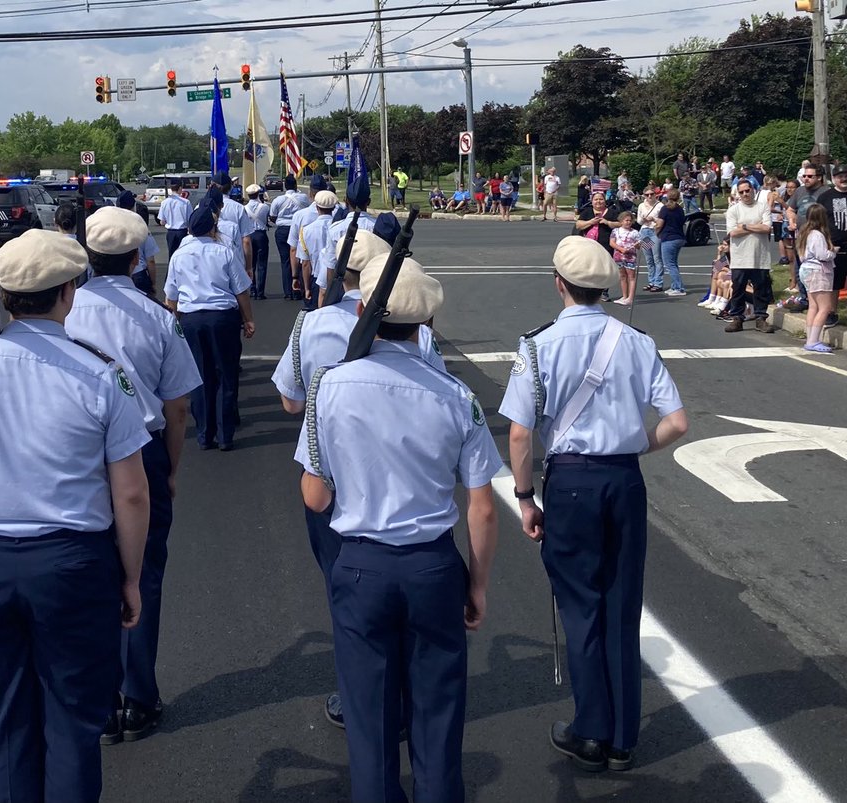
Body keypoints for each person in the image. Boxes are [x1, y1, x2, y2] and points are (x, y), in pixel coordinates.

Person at [0, 228, 151, 803]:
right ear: (68, 291)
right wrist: (130, 577)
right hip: (69, 561)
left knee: (2, 716)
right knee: (72, 719)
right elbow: (132, 495)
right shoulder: (100, 373)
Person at [298, 253, 501, 803]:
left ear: (363, 309)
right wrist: (476, 585)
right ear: (426, 325)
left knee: (370, 720)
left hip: (361, 563)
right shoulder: (456, 396)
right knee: (437, 717)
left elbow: (315, 496)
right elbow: (482, 506)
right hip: (434, 564)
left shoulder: (330, 387)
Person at [500, 236, 689, 775]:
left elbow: (519, 435)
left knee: (581, 607)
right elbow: (676, 422)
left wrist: (525, 497)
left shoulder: (537, 346)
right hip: (624, 481)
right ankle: (623, 739)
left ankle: (591, 729)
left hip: (572, 484)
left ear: (558, 283)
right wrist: (633, 446)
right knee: (622, 606)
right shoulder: (635, 341)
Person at [64, 206, 202, 743]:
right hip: (142, 449)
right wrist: (169, 467)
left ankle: (99, 699)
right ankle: (139, 696)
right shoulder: (157, 318)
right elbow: (178, 407)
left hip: (79, 453)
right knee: (142, 574)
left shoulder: (67, 312)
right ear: (139, 256)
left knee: (86, 574)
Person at [164, 201, 255, 451]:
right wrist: (248, 319)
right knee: (226, 375)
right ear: (212, 227)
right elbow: (241, 290)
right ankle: (225, 434)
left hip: (191, 318)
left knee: (200, 377)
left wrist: (172, 325)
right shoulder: (223, 251)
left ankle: (205, 433)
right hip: (222, 317)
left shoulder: (179, 255)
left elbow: (171, 296)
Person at [721, 179, 776, 333]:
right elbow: (732, 232)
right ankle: (737, 318)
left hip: (760, 257)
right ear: (738, 194)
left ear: (753, 190)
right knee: (738, 289)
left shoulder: (763, 206)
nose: (745, 194)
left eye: (748, 190)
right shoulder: (733, 210)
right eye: (742, 192)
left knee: (761, 289)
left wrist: (743, 226)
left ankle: (760, 318)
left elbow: (767, 228)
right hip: (740, 258)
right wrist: (755, 226)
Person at [315, 175, 377, 306]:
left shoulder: (335, 229)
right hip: (373, 286)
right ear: (369, 202)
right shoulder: (376, 226)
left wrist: (331, 297)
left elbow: (331, 266)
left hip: (343, 288)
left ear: (345, 201)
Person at [785, 164, 830, 313]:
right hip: (800, 237)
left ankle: (819, 302)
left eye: (810, 176)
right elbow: (791, 210)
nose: (806, 179)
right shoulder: (799, 191)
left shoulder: (826, 192)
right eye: (804, 176)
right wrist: (791, 221)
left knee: (818, 271)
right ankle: (804, 299)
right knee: (801, 270)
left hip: (818, 237)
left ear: (819, 177)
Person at [796, 204, 838, 353]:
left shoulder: (803, 233)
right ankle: (813, 340)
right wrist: (833, 252)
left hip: (806, 270)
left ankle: (810, 338)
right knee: (825, 307)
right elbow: (822, 255)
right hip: (818, 271)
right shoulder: (817, 235)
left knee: (813, 306)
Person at [288, 175, 330, 301]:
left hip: (312, 272)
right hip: (334, 274)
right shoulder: (339, 215)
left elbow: (294, 250)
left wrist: (295, 276)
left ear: (310, 193)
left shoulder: (300, 216)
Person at [573, 191, 619, 301]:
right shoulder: (587, 211)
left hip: (606, 245)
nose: (598, 201)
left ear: (605, 201)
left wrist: (607, 222)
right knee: (589, 267)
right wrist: (591, 222)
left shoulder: (612, 212)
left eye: (601, 199)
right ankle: (590, 289)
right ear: (592, 201)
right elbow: (578, 225)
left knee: (605, 269)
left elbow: (621, 223)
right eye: (596, 199)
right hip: (589, 245)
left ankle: (604, 291)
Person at [269, 175, 309, 300]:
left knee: (285, 261)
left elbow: (272, 216)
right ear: (296, 185)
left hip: (283, 230)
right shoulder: (303, 198)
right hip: (298, 230)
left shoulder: (278, 200)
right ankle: (300, 289)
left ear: (285, 186)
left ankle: (288, 291)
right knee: (301, 259)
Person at [817, 164, 847, 328]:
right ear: (834, 178)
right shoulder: (825, 197)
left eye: (846, 175)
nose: (843, 179)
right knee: (834, 282)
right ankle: (831, 312)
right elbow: (819, 221)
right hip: (834, 246)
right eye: (840, 176)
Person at [113, 190, 160, 296]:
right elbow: (150, 261)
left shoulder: (111, 227)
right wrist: (153, 283)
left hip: (117, 275)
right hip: (139, 275)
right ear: (134, 206)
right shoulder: (141, 228)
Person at [296, 190, 337, 310]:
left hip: (316, 279)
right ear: (333, 207)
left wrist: (307, 287)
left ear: (316, 206)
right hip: (337, 278)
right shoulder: (339, 228)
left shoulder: (306, 231)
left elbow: (305, 264)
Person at [655, 188, 687, 296]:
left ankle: (679, 287)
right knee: (673, 263)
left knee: (669, 264)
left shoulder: (665, 209)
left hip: (669, 238)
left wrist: (656, 232)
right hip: (679, 237)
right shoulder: (680, 209)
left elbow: (659, 224)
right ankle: (674, 285)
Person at [244, 183, 271, 298]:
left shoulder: (244, 208)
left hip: (249, 235)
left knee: (251, 263)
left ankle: (252, 288)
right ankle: (260, 292)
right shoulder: (264, 207)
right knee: (262, 264)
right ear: (258, 194)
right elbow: (266, 220)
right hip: (261, 234)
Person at [636, 189, 664, 292]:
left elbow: (662, 220)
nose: (649, 196)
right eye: (647, 195)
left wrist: (653, 219)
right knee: (649, 258)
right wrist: (643, 219)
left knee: (657, 257)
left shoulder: (660, 205)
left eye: (651, 194)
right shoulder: (641, 206)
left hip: (655, 231)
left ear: (655, 195)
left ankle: (658, 282)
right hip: (645, 232)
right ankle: (651, 281)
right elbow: (639, 221)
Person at [610, 212, 640, 306]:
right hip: (618, 256)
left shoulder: (635, 233)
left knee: (631, 277)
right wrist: (621, 249)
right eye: (626, 220)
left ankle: (630, 298)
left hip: (630, 257)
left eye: (630, 221)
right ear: (621, 221)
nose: (628, 222)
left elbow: (639, 246)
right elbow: (612, 243)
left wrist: (638, 245)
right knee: (622, 276)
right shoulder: (615, 231)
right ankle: (624, 296)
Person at [156, 179, 193, 257]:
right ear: (180, 188)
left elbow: (162, 222)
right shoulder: (186, 202)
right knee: (183, 255)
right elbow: (190, 219)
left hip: (171, 232)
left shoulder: (164, 202)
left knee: (172, 255)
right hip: (182, 232)